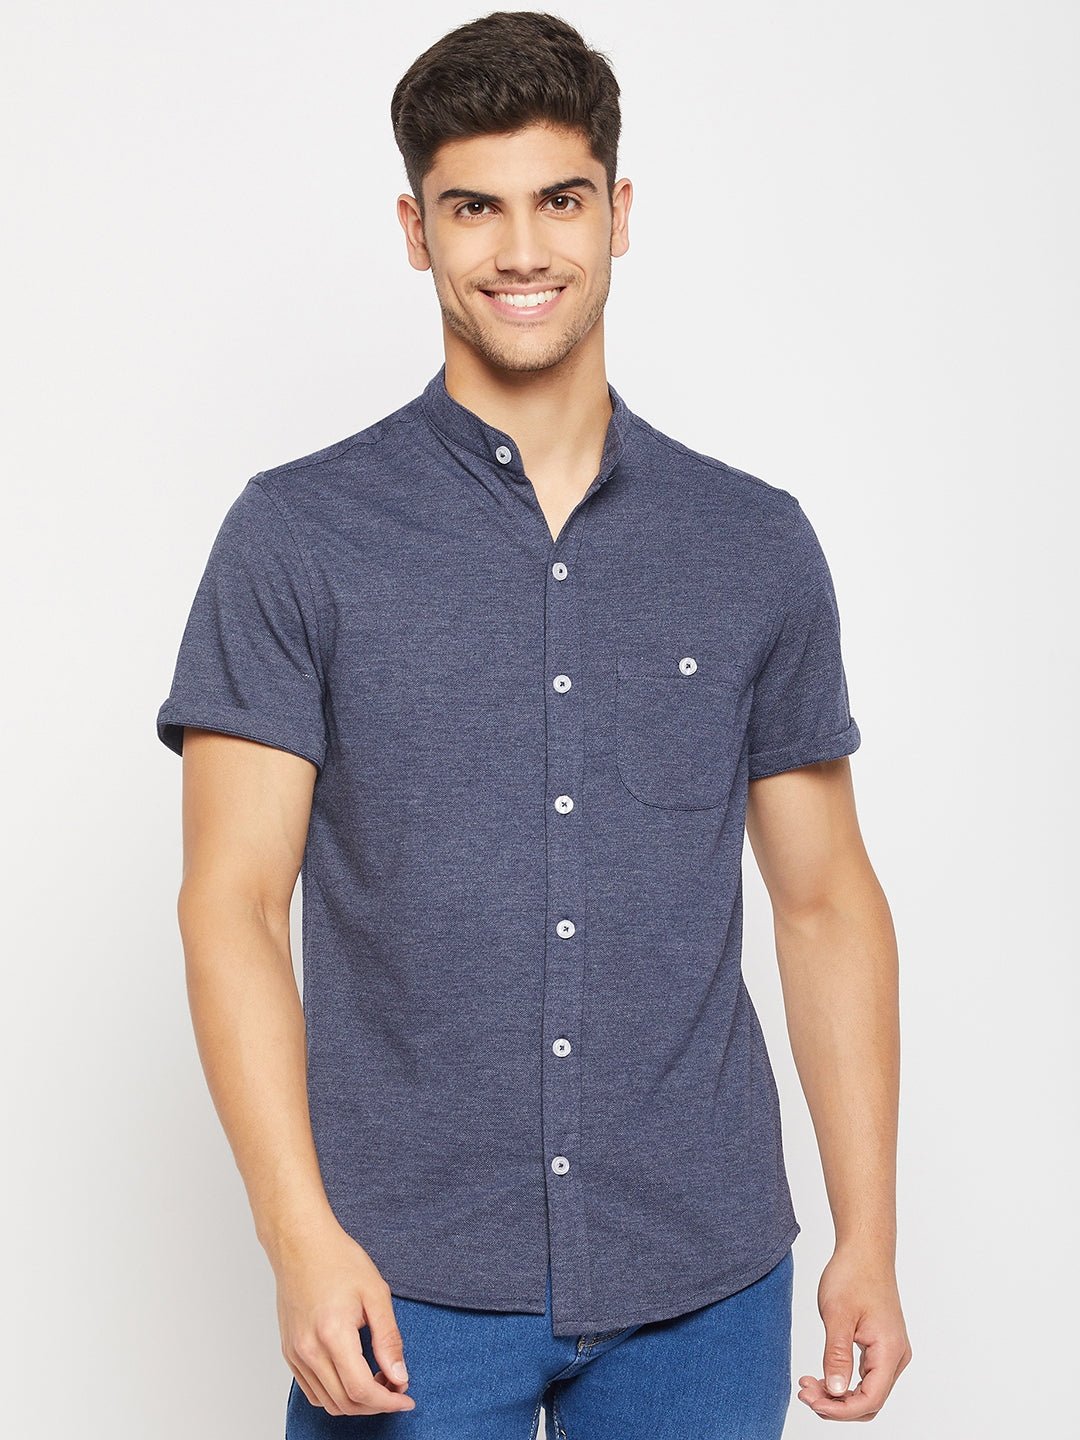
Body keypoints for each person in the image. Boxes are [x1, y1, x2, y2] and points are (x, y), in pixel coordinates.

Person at [155, 11, 911, 1436]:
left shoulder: (752, 544)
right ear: (415, 229)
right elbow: (232, 904)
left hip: (703, 1271)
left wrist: (867, 1232)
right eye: (473, 208)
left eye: (559, 201)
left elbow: (822, 900)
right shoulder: (297, 538)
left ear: (619, 213)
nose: (520, 250)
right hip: (401, 1276)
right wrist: (297, 1235)